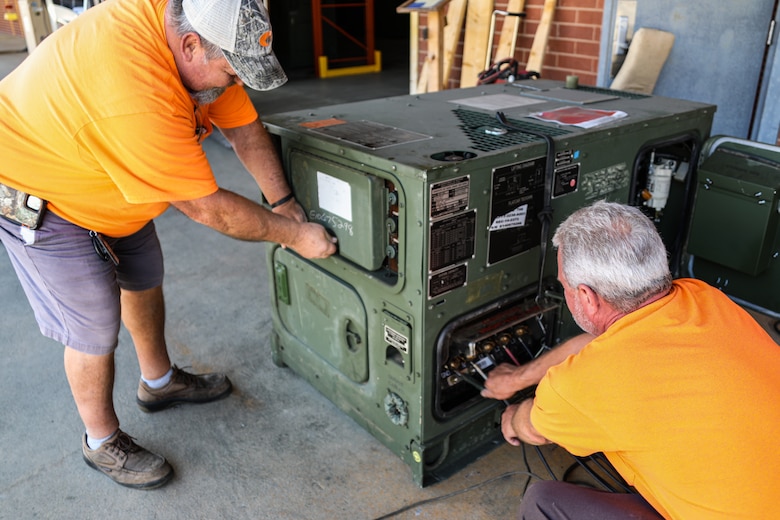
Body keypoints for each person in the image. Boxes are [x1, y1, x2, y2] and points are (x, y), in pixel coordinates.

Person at [0, 0, 337, 489]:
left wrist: (282, 200)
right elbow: (208, 208)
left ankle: (158, 384)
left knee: (143, 275)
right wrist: (296, 234)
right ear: (189, 46)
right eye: (231, 72)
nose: (234, 83)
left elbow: (243, 128)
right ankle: (100, 442)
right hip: (41, 190)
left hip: (109, 172)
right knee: (93, 323)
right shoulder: (135, 91)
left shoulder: (198, 33)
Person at [482, 201, 780, 519]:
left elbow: (532, 426)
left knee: (543, 502)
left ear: (586, 297)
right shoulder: (703, 297)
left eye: (563, 286)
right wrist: (518, 378)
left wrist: (513, 417)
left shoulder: (586, 384)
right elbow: (606, 343)